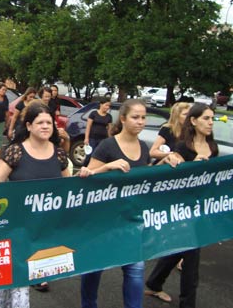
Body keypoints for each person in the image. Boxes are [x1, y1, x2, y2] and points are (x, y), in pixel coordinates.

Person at [78, 99, 179, 308]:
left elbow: (142, 178)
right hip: (103, 222)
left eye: (143, 118)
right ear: (123, 119)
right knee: (94, 269)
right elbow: (87, 178)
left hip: (130, 220)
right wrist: (108, 167)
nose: (140, 122)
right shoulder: (108, 145)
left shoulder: (142, 146)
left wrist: (162, 163)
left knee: (135, 271)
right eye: (135, 117)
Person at [0, 102, 71, 307]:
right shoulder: (15, 152)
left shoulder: (59, 154)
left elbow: (70, 188)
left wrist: (86, 175)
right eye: (40, 122)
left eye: (49, 122)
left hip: (46, 231)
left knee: (13, 283)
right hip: (18, 229)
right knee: (20, 283)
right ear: (29, 126)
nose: (46, 126)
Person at [144, 102, 218, 308]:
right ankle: (188, 303)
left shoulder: (213, 147)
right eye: (206, 118)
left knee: (179, 250)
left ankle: (154, 282)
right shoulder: (182, 146)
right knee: (192, 258)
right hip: (181, 209)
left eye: (212, 118)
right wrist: (192, 164)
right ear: (193, 121)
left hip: (200, 207)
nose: (211, 122)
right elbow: (174, 176)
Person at [83, 97, 112, 167]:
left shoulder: (109, 116)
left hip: (102, 139)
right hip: (92, 138)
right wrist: (86, 138)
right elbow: (88, 126)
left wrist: (110, 140)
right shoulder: (93, 113)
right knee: (89, 155)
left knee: (98, 157)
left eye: (109, 106)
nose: (108, 107)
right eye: (106, 105)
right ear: (101, 104)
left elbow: (109, 129)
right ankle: (84, 168)